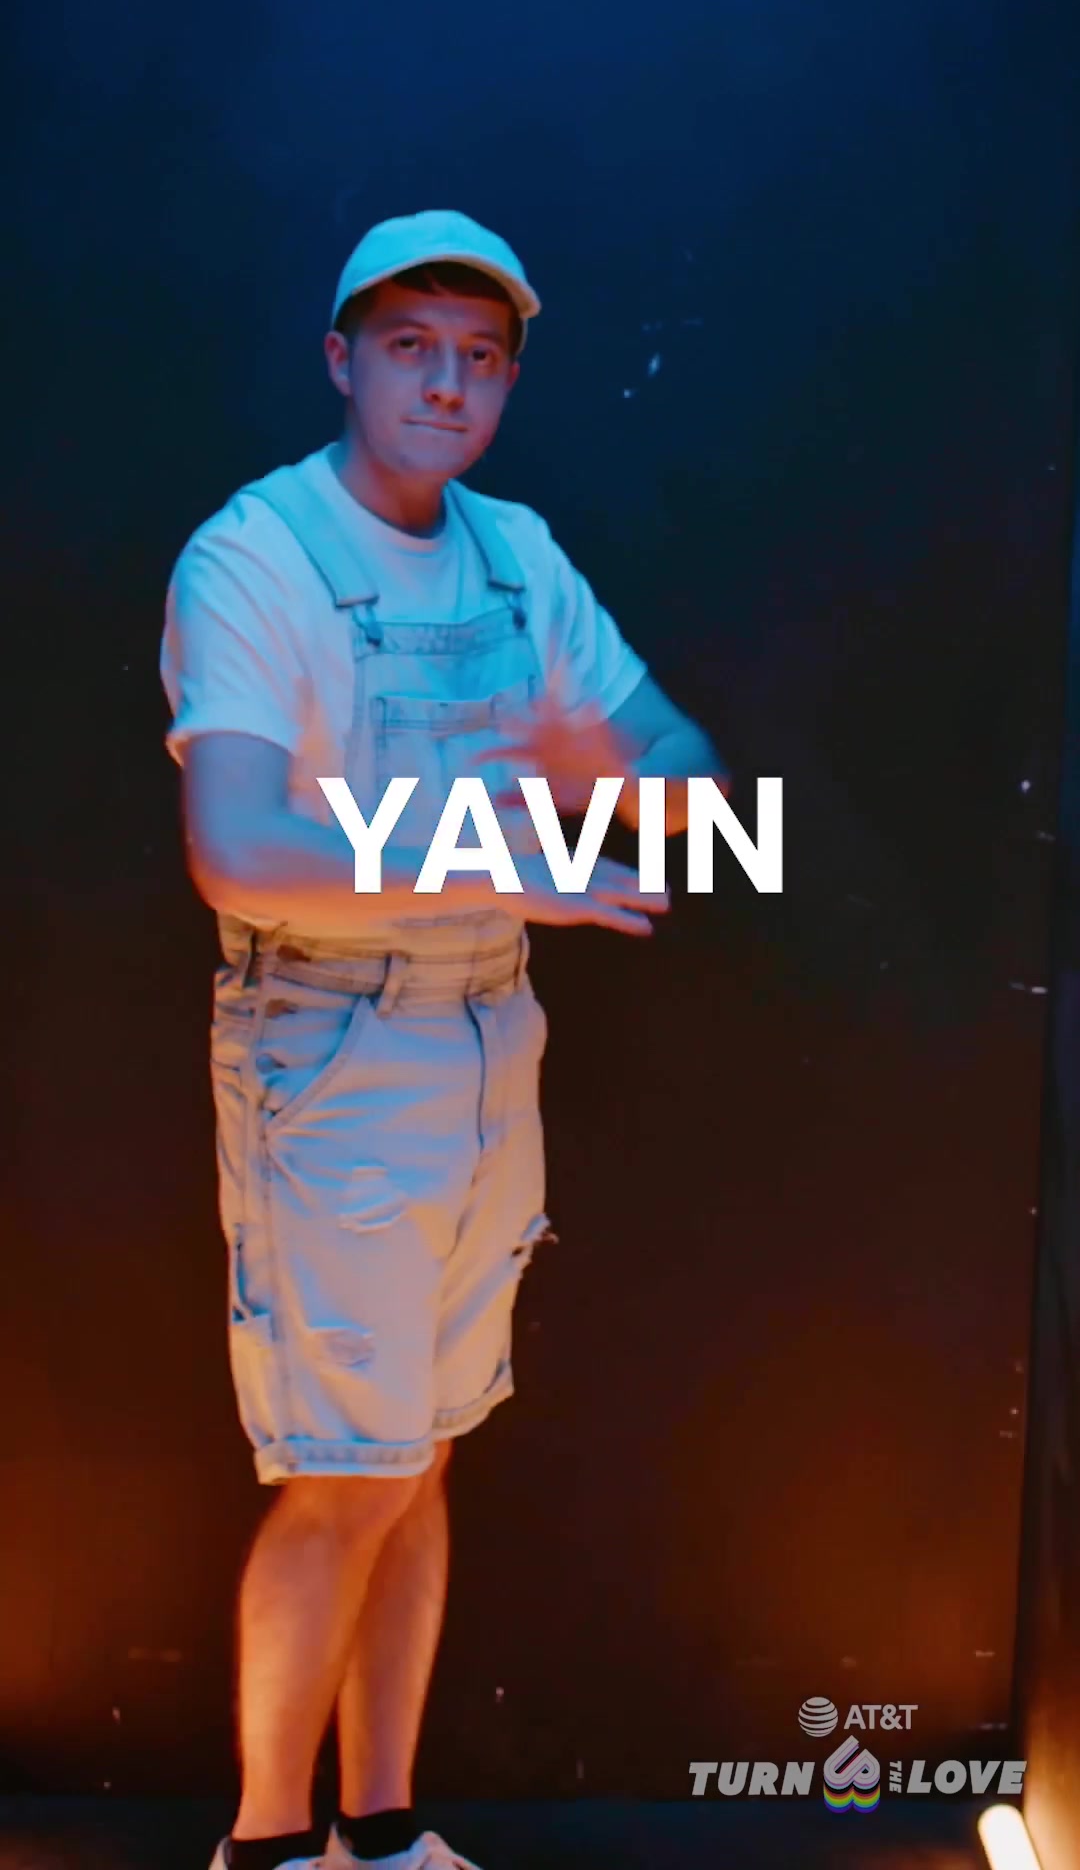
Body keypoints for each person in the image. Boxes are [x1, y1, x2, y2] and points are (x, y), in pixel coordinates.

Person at [160, 209, 728, 1870]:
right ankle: (268, 1849)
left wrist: (618, 768)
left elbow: (696, 791)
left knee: (419, 1462)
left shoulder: (517, 555)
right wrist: (496, 856)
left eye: (481, 358)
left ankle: (385, 1831)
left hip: (492, 1037)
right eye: (411, 347)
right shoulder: (253, 558)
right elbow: (236, 849)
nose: (446, 385)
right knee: (345, 1470)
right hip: (331, 1050)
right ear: (341, 360)